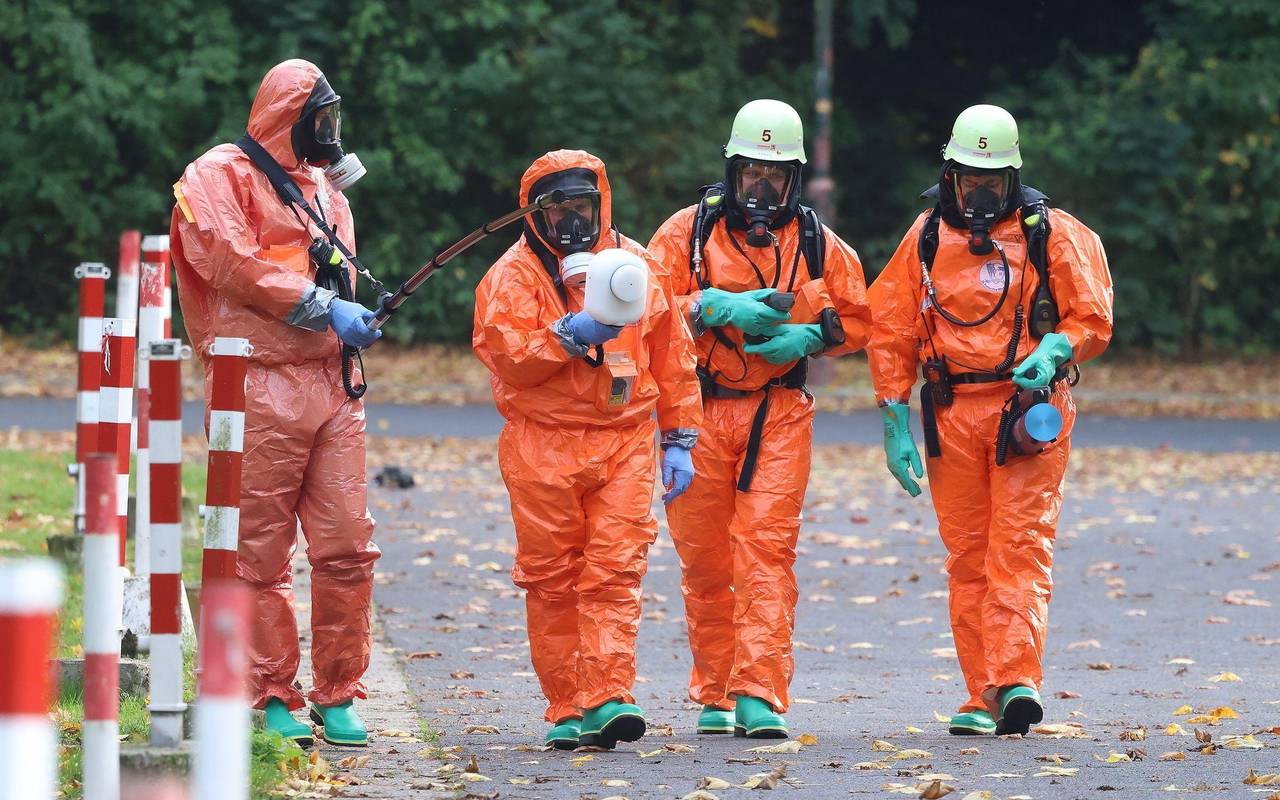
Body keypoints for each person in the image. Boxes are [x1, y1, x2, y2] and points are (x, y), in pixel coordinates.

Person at [867, 104, 1114, 736]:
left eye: (993, 182)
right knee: (968, 556)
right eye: (970, 180)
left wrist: (1057, 347)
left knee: (1020, 545)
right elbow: (891, 328)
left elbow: (1091, 314)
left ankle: (1016, 679)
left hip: (1028, 412)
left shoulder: (1049, 233)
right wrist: (894, 416)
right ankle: (983, 692)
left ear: (1012, 179)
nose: (980, 194)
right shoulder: (925, 237)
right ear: (949, 175)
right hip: (951, 410)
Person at [170, 59, 382, 747]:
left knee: (349, 546)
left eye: (334, 117)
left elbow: (339, 264)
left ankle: (338, 690)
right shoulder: (215, 176)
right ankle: (269, 694)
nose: (330, 133)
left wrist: (355, 303)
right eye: (320, 119)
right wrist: (323, 303)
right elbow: (231, 261)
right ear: (287, 118)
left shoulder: (323, 187)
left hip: (331, 381)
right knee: (258, 552)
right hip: (254, 379)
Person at [647, 99, 872, 739]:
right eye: (752, 173)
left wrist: (807, 339)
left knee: (767, 553)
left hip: (778, 413)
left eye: (775, 175)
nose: (762, 188)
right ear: (732, 169)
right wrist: (708, 307)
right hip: (695, 411)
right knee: (706, 561)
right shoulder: (686, 234)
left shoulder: (818, 244)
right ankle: (716, 690)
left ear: (794, 179)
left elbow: (862, 317)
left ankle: (759, 691)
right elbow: (643, 309)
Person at [472, 150, 702, 751]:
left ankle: (608, 695)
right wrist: (568, 336)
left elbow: (672, 355)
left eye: (583, 206)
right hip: (541, 444)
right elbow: (509, 358)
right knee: (553, 579)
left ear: (602, 205)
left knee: (615, 569)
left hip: (623, 439)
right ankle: (566, 705)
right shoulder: (512, 278)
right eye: (558, 209)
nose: (572, 221)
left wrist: (679, 437)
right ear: (535, 214)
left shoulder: (636, 266)